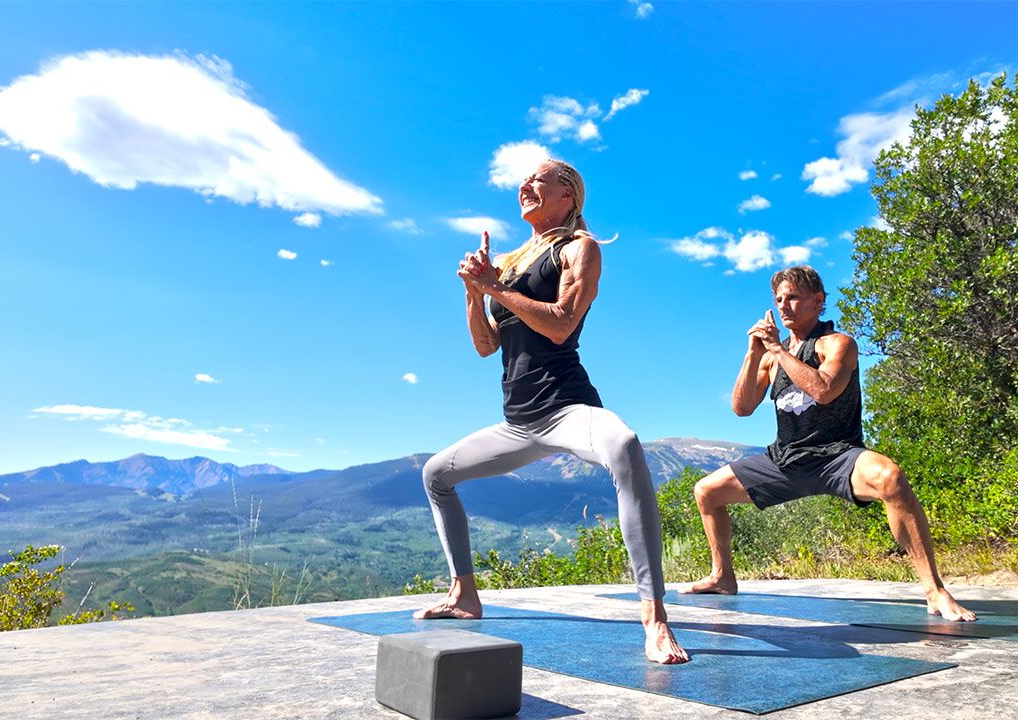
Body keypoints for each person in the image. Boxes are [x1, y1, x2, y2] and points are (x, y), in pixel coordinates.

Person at [413, 159, 690, 664]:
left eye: (538, 179)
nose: (525, 185)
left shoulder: (579, 249)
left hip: (569, 408)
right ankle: (464, 596)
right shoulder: (515, 261)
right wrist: (474, 292)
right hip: (519, 421)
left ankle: (654, 617)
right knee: (436, 475)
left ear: (569, 196)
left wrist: (496, 288)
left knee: (625, 447)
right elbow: (484, 345)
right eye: (524, 180)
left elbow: (562, 325)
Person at [685, 265, 976, 622]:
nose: (784, 306)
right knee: (707, 492)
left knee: (890, 478)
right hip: (786, 461)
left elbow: (824, 391)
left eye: (793, 297)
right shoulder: (772, 357)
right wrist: (753, 353)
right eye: (778, 299)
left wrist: (778, 350)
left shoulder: (838, 344)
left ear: (818, 301)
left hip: (839, 456)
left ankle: (935, 591)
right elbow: (742, 408)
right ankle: (722, 576)